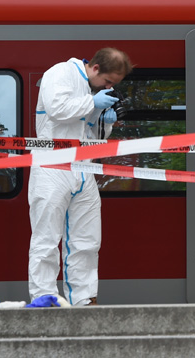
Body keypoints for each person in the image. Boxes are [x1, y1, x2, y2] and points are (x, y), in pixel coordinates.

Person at [28, 47, 133, 307]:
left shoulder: (93, 88)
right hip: (52, 165)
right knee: (47, 237)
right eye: (108, 81)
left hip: (84, 168)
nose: (108, 87)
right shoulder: (61, 72)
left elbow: (94, 138)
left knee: (87, 238)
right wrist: (93, 104)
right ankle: (44, 297)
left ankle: (84, 299)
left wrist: (105, 120)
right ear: (95, 67)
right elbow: (57, 109)